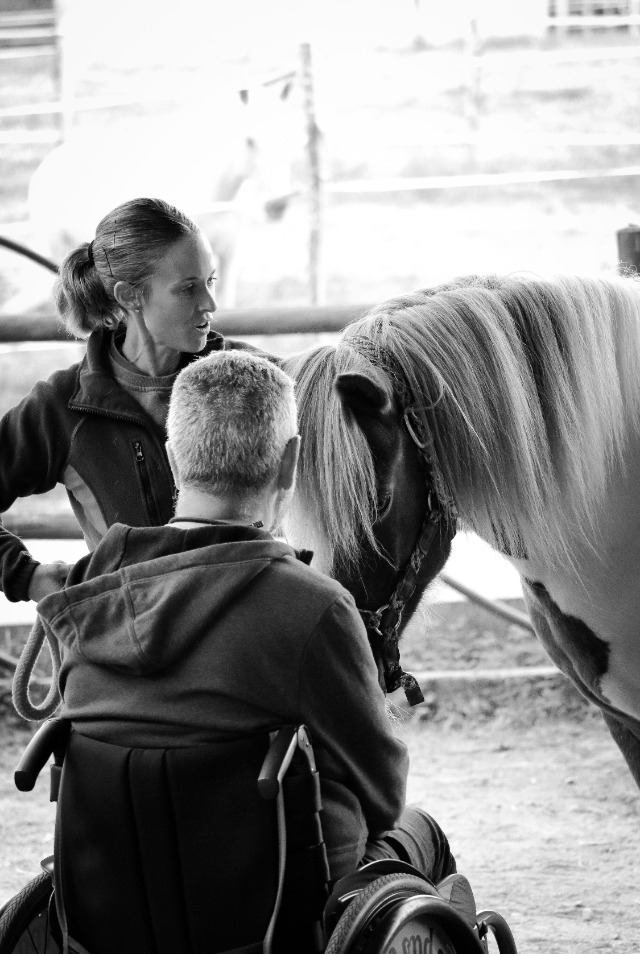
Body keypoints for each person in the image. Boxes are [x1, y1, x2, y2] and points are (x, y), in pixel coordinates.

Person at [37, 350, 455, 885]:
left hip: (117, 911)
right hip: (280, 917)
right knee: (424, 835)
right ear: (290, 462)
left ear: (172, 457)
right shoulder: (314, 608)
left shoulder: (88, 591)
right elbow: (382, 795)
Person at [0, 196, 244, 606]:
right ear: (129, 295)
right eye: (188, 288)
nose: (210, 304)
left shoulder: (248, 380)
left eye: (211, 281)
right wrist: (26, 576)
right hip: (129, 645)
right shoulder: (63, 408)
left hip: (243, 625)